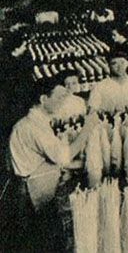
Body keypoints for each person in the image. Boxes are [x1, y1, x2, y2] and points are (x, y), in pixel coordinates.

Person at [9, 77, 98, 211]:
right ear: (43, 99)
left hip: (35, 182)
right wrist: (87, 128)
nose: (63, 102)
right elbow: (63, 156)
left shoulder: (34, 122)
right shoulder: (34, 126)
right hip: (31, 190)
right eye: (59, 98)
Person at [88, 49, 128, 113]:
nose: (119, 66)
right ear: (108, 65)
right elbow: (92, 110)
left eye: (122, 62)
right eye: (114, 63)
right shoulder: (100, 86)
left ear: (127, 63)